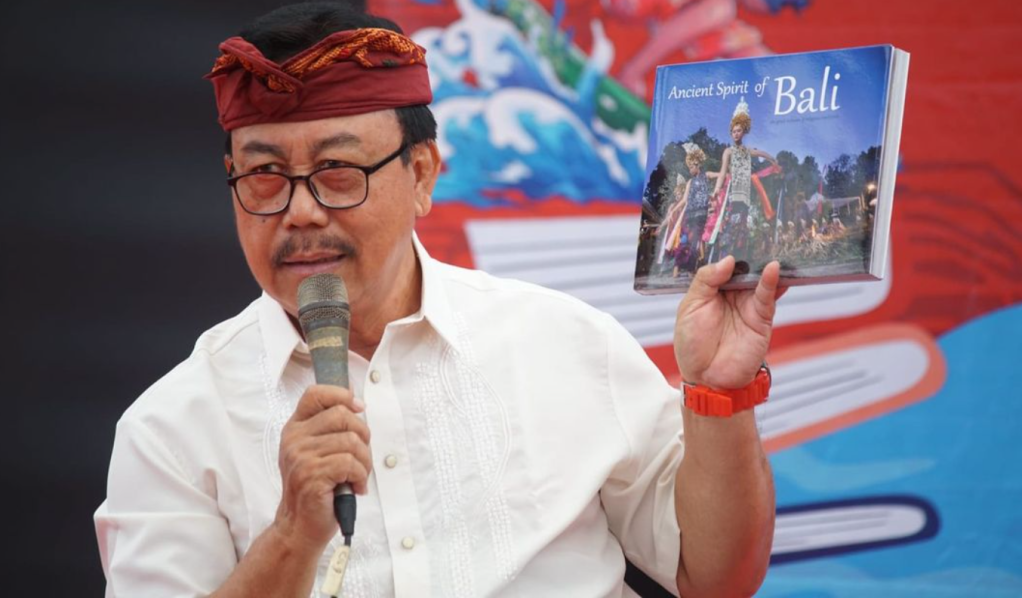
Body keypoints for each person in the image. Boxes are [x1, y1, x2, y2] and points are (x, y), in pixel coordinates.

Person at [95, 3, 782, 597]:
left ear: (421, 173)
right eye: (265, 175)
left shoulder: (564, 344)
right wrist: (292, 535)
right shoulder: (174, 428)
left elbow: (716, 577)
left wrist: (721, 395)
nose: (300, 212)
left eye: (337, 171)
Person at [710, 97, 779, 264]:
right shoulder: (728, 152)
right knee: (728, 226)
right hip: (732, 194)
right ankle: (723, 261)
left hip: (744, 195)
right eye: (734, 131)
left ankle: (736, 262)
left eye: (739, 130)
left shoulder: (747, 151)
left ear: (744, 132)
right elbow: (722, 172)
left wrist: (772, 160)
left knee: (741, 228)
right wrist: (716, 189)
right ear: (731, 132)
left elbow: (761, 153)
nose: (736, 133)